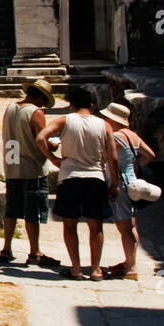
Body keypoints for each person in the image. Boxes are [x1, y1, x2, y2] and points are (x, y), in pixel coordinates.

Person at [36, 86, 119, 281]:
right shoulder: (104, 125)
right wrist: (114, 183)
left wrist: (53, 158)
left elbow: (41, 137)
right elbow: (113, 158)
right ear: (92, 104)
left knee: (70, 224)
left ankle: (76, 268)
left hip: (69, 177)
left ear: (71, 104)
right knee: (95, 226)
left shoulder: (64, 120)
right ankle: (96, 269)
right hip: (95, 177)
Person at [0, 78, 59, 268]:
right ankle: (34, 251)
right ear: (40, 97)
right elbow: (41, 139)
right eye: (44, 100)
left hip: (12, 163)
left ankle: (6, 248)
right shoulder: (36, 112)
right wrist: (53, 151)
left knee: (12, 208)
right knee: (32, 211)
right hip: (31, 166)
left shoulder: (10, 108)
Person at [98, 102, 155, 281]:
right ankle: (130, 261)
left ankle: (131, 266)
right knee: (131, 225)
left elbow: (108, 159)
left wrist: (114, 180)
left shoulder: (115, 137)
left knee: (124, 227)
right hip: (132, 181)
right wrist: (134, 166)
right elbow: (150, 155)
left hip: (119, 183)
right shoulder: (133, 136)